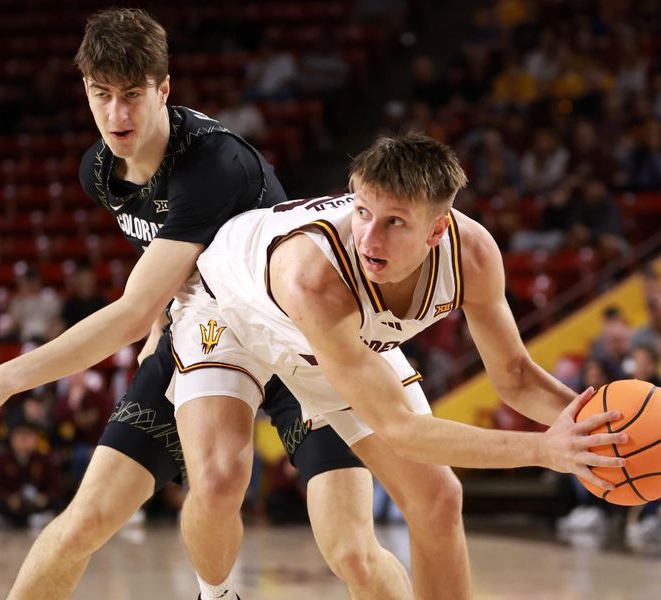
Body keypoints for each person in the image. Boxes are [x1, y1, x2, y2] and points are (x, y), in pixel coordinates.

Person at [0, 9, 409, 600]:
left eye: (132, 95)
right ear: (86, 92)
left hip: (292, 342)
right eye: (102, 96)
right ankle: (216, 593)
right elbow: (168, 256)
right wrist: (162, 315)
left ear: (163, 89)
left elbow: (125, 311)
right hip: (206, 337)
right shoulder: (98, 171)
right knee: (85, 522)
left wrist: (1, 381)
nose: (117, 115)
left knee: (352, 549)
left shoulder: (212, 164)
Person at [164, 132, 627, 598]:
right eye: (362, 212)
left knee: (438, 501)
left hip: (338, 338)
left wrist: (602, 434)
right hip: (228, 310)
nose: (368, 236)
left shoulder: (473, 256)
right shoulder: (314, 274)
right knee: (220, 479)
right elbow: (401, 430)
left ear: (437, 231)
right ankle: (216, 592)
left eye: (394, 223)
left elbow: (516, 377)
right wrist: (545, 450)